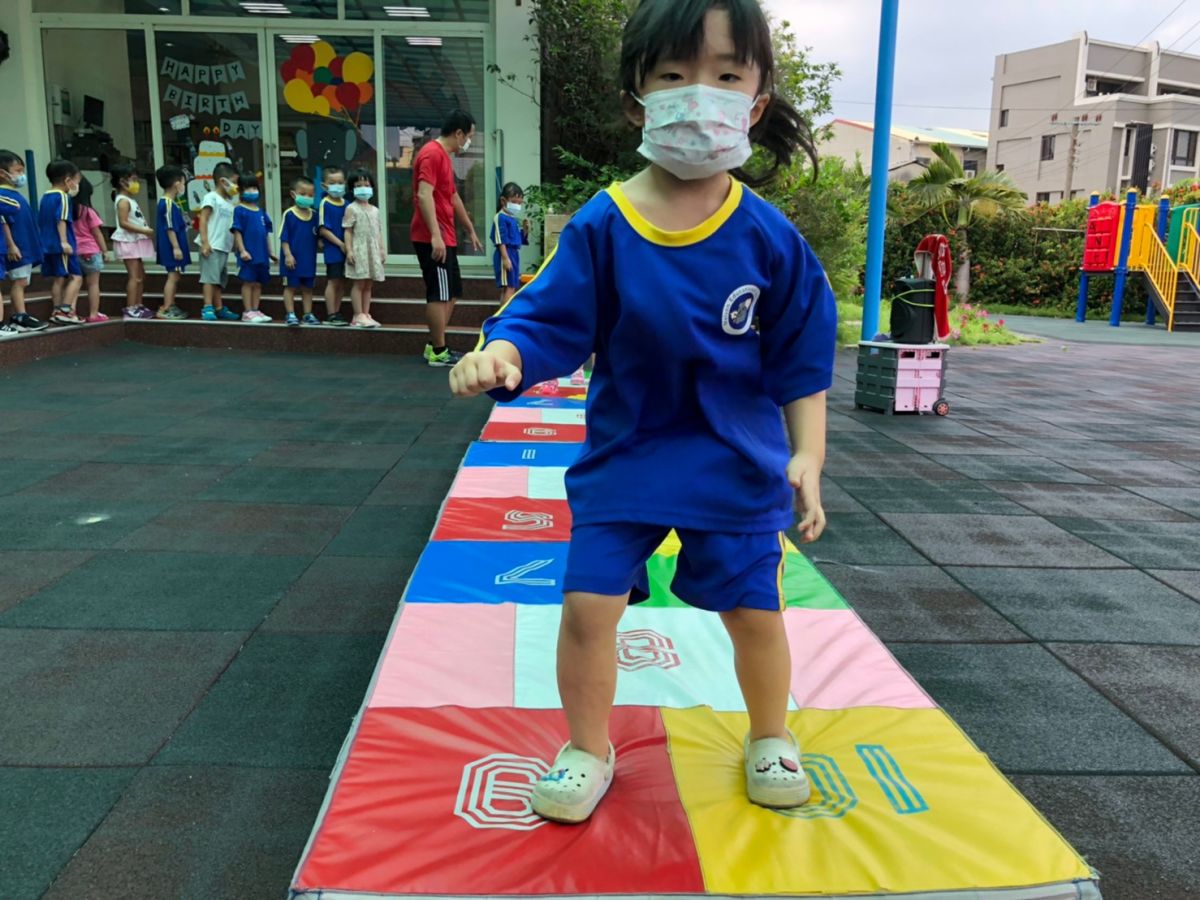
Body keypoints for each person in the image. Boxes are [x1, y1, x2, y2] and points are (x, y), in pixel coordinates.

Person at [449, 0, 835, 825]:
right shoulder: (606, 224)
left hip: (733, 459)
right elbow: (547, 316)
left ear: (756, 103)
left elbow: (802, 356)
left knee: (755, 611)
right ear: (637, 99)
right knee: (589, 608)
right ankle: (588, 747)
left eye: (726, 75)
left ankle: (771, 735)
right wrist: (504, 353)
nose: (701, 94)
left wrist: (808, 454)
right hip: (627, 455)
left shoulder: (770, 238)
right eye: (675, 74)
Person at [411, 109, 484, 365]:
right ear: (459, 133)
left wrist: (470, 229)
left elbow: (452, 197)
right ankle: (439, 350)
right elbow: (423, 195)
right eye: (470, 137)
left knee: (452, 292)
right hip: (433, 238)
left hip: (447, 236)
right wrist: (435, 236)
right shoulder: (431, 154)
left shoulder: (444, 157)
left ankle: (435, 343)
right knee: (439, 294)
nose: (469, 141)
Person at [0, 150, 47, 332]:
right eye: (18, 170)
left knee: (22, 281)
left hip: (23, 244)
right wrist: (11, 245)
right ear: (3, 173)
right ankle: (19, 315)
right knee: (20, 281)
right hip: (17, 246)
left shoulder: (13, 195)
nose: (21, 175)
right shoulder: (5, 197)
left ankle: (20, 315)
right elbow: (5, 222)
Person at [39, 159, 84, 325]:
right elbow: (61, 219)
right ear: (68, 180)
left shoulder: (45, 196)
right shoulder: (63, 197)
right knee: (76, 277)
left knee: (59, 278)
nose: (76, 186)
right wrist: (64, 242)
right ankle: (65, 310)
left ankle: (56, 311)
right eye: (76, 181)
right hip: (61, 245)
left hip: (48, 244)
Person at [110, 163, 156, 320]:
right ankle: (130, 308)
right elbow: (123, 223)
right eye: (134, 179)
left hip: (134, 241)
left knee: (140, 276)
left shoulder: (129, 200)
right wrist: (144, 230)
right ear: (123, 181)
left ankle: (138, 305)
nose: (136, 183)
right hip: (128, 242)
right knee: (134, 277)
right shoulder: (123, 201)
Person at [198, 161, 241, 322]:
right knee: (209, 279)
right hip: (212, 246)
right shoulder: (211, 197)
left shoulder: (229, 203)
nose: (236, 187)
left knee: (218, 280)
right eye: (234, 182)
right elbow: (203, 219)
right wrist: (205, 242)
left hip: (223, 247)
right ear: (223, 181)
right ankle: (207, 307)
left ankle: (218, 307)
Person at [343, 168, 385, 329]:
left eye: (366, 185)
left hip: (372, 251)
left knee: (368, 284)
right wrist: (349, 250)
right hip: (359, 250)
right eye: (358, 185)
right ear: (352, 189)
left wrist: (381, 250)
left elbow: (378, 232)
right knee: (359, 283)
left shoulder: (375, 210)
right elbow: (348, 230)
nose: (363, 188)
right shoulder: (351, 208)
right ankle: (357, 315)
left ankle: (366, 314)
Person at [230, 172, 274, 323]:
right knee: (248, 282)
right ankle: (247, 311)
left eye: (254, 188)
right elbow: (237, 232)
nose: (252, 191)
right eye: (248, 188)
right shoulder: (239, 210)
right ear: (240, 191)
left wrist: (270, 252)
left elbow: (266, 234)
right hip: (248, 253)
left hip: (261, 254)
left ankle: (256, 309)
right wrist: (242, 250)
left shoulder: (261, 212)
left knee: (258, 283)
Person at [280, 175, 320, 326]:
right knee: (290, 287)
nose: (307, 197)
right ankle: (290, 314)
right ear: (293, 194)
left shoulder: (315, 215)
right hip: (292, 260)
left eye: (310, 195)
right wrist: (288, 255)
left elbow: (318, 235)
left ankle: (307, 314)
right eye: (303, 194)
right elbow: (284, 238)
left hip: (308, 260)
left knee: (308, 288)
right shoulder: (289, 214)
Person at [72, 178, 110, 323]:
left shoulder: (69, 210)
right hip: (90, 251)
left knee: (74, 283)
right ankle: (94, 314)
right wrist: (105, 251)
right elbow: (97, 233)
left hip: (74, 251)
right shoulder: (88, 211)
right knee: (93, 284)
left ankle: (71, 313)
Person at [155, 164, 191, 320]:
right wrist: (176, 247)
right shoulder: (168, 204)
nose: (184, 186)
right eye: (183, 182)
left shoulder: (171, 203)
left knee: (175, 276)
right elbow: (170, 227)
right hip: (171, 247)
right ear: (177, 184)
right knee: (173, 276)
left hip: (173, 246)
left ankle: (171, 305)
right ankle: (167, 307)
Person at [318, 166, 350, 326]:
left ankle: (337, 312)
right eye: (332, 183)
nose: (337, 186)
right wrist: (340, 244)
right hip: (333, 249)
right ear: (324, 186)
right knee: (333, 281)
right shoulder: (325, 204)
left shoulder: (347, 204)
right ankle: (331, 314)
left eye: (340, 182)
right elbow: (323, 229)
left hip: (347, 250)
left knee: (342, 282)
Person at [491, 182, 528, 304]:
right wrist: (505, 258)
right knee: (509, 287)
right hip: (506, 254)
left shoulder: (512, 218)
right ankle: (505, 314)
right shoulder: (500, 217)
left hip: (513, 254)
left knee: (510, 286)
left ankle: (503, 312)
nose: (517, 206)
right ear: (503, 201)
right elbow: (500, 239)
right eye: (514, 202)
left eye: (519, 203)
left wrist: (525, 230)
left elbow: (517, 239)